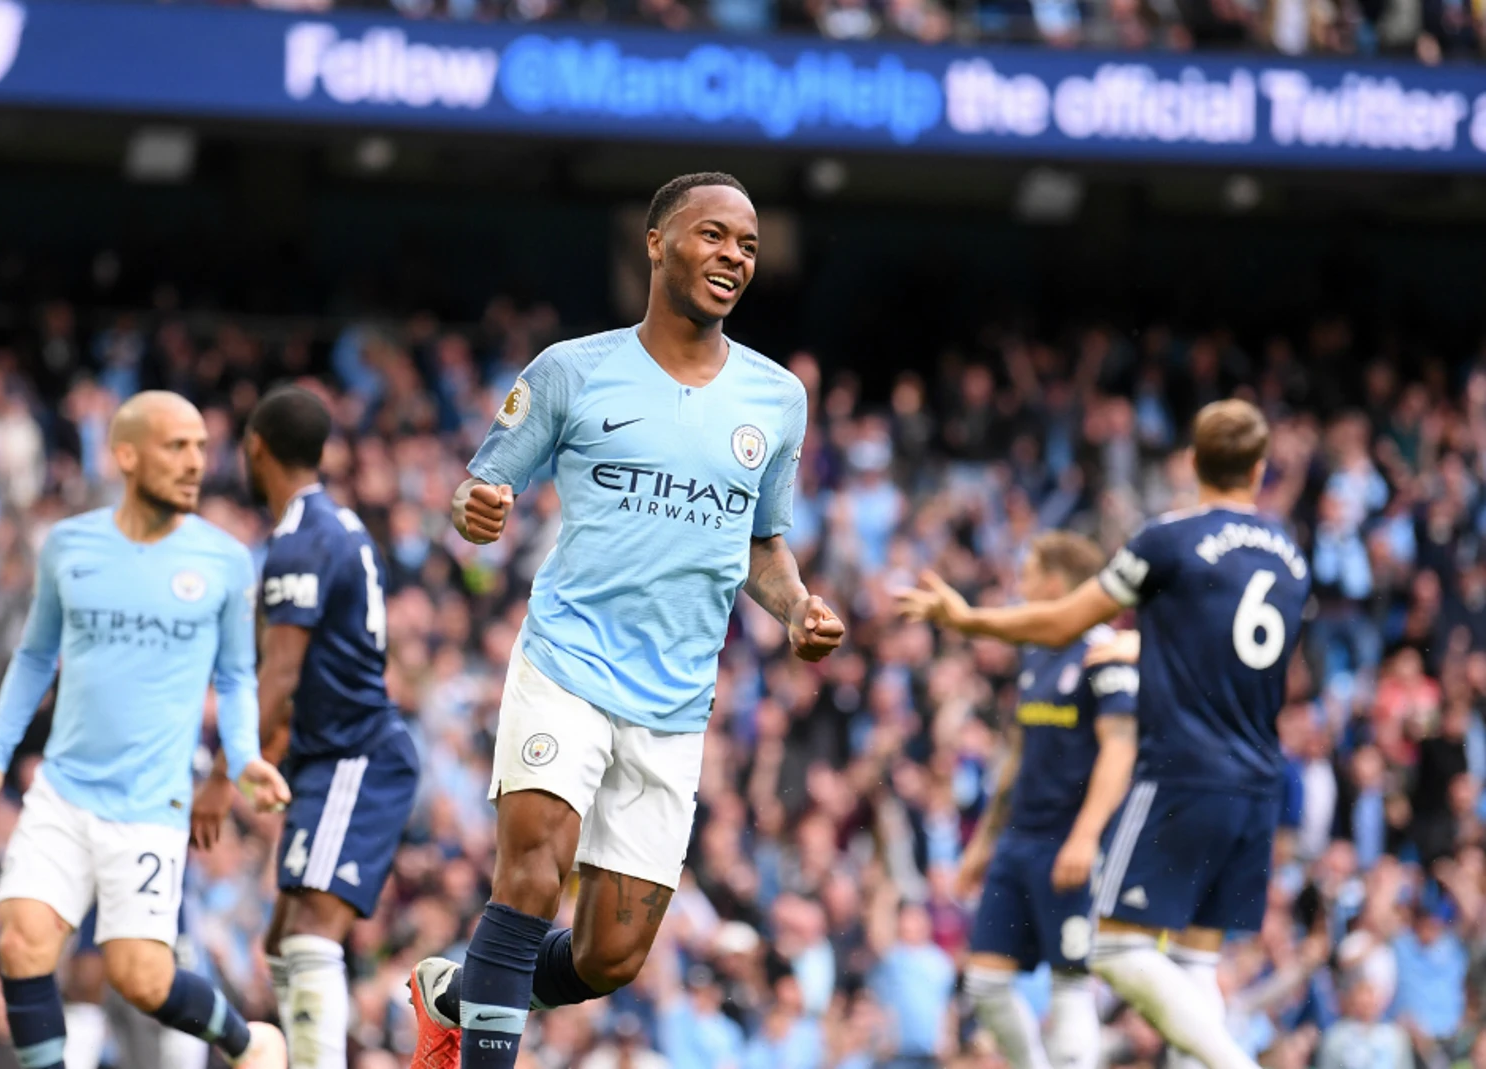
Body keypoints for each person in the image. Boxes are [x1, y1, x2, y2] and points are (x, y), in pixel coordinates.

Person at [407, 171, 845, 1069]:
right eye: (713, 235)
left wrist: (798, 606)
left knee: (611, 957)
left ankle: (456, 992)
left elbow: (761, 546)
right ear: (655, 242)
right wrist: (477, 508)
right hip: (566, 664)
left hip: (674, 700)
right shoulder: (572, 369)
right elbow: (478, 485)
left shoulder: (776, 398)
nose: (732, 255)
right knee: (531, 873)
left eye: (748, 246)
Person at [896, 399, 1310, 1069]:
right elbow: (1241, 654)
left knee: (1115, 949)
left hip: (1183, 772)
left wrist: (968, 618)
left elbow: (1063, 621)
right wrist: (1146, 651)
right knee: (1195, 958)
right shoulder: (1293, 558)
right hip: (1257, 777)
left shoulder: (1167, 539)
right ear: (1260, 470)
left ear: (1193, 462)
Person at [0, 390, 291, 1069]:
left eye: (202, 446)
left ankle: (248, 1040)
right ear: (127, 454)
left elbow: (235, 676)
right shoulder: (69, 546)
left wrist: (245, 755)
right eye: (178, 446)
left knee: (139, 977)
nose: (196, 461)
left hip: (150, 804)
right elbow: (31, 656)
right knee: (22, 940)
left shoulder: (225, 561)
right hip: (63, 788)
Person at [240, 385, 423, 1069]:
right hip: (329, 756)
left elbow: (281, 672)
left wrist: (226, 766)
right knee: (284, 937)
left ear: (255, 448)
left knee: (312, 931)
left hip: (356, 756)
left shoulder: (298, 539)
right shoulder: (342, 525)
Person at [952, 532, 1139, 1069]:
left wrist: (1085, 836)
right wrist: (986, 840)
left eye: (1028, 572)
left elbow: (1119, 749)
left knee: (1071, 985)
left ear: (1055, 583)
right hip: (1019, 841)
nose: (1020, 583)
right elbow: (1018, 753)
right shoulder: (1036, 654)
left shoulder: (1104, 654)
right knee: (984, 983)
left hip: (1071, 842)